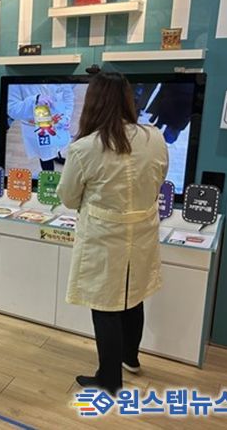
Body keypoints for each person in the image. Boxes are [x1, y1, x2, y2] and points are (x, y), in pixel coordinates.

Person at [56, 72, 168, 395]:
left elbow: (68, 197)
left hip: (103, 236)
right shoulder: (154, 138)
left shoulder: (85, 148)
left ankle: (109, 378)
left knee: (105, 305)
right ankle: (130, 358)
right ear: (129, 100)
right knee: (133, 294)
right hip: (143, 232)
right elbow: (160, 178)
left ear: (93, 102)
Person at [7, 83, 76, 171]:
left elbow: (68, 95)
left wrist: (67, 116)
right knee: (45, 156)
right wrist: (34, 100)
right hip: (35, 126)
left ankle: (57, 156)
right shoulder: (16, 83)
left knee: (57, 144)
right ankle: (49, 177)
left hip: (57, 121)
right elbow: (12, 109)